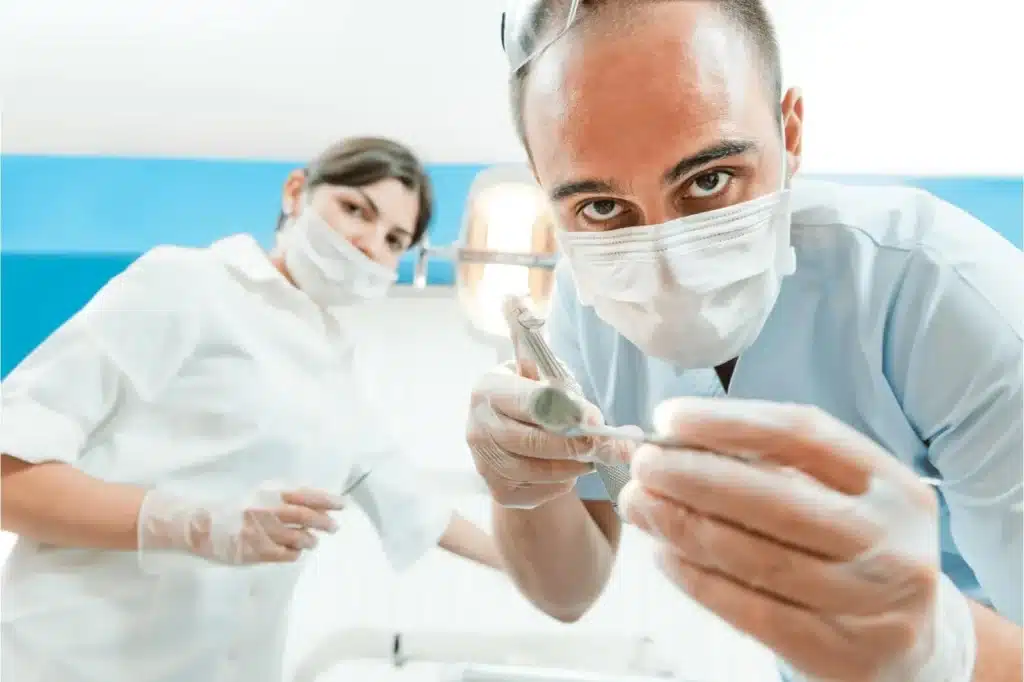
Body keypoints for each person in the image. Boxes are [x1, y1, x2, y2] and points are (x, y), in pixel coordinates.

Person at [467, 2, 1023, 681]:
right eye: (602, 207)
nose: (666, 266)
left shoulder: (946, 294)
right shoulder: (585, 308)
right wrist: (520, 482)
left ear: (789, 134)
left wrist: (944, 648)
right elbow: (566, 590)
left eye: (708, 181)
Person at [0, 136, 503, 682]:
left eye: (393, 239)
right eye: (356, 210)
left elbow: (414, 503)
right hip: (71, 662)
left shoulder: (334, 368)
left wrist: (558, 572)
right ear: (296, 191)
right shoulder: (188, 285)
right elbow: (9, 473)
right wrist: (196, 524)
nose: (368, 245)